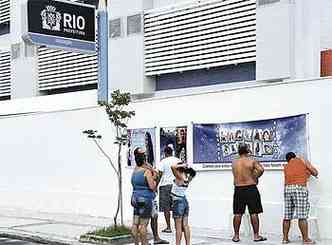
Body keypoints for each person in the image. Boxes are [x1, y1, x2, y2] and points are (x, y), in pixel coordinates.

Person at [232, 144, 267, 242]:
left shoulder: (234, 162)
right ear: (247, 151)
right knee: (254, 212)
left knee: (237, 213)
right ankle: (256, 236)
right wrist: (255, 176)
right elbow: (261, 169)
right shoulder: (251, 160)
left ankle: (236, 236)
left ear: (239, 151)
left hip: (238, 188)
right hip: (251, 188)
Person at [282, 152, 318, 244]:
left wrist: (306, 173)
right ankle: (306, 240)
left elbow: (299, 174)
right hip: (299, 188)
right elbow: (315, 172)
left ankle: (285, 239)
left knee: (287, 216)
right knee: (302, 216)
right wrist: (309, 169)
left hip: (287, 188)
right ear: (295, 157)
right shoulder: (302, 160)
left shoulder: (286, 166)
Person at [131, 147, 157, 245]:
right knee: (143, 225)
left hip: (134, 198)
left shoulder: (135, 170)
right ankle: (145, 243)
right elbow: (152, 186)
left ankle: (136, 243)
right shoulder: (146, 171)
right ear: (144, 158)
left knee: (135, 223)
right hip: (145, 199)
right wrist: (154, 179)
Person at [142, 160, 169, 244]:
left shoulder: (138, 169)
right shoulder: (146, 169)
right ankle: (152, 239)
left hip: (144, 196)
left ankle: (151, 239)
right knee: (152, 218)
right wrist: (153, 171)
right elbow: (154, 178)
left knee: (151, 218)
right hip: (149, 196)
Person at [157, 146, 182, 233]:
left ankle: (168, 227)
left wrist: (156, 185)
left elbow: (159, 174)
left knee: (166, 208)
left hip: (165, 186)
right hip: (176, 185)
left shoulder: (163, 161)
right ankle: (179, 226)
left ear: (165, 153)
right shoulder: (178, 160)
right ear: (172, 152)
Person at [171, 163, 196, 245]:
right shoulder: (187, 177)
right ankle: (187, 243)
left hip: (178, 202)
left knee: (178, 227)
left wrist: (181, 165)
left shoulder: (179, 176)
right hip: (184, 201)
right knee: (185, 225)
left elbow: (172, 167)